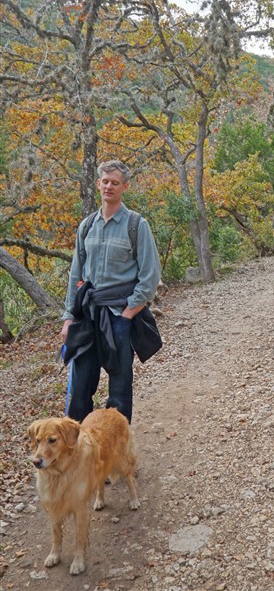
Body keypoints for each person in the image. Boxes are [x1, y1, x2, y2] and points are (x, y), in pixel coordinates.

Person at [60, 160, 161, 423]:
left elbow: (150, 277)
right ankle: (79, 451)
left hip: (119, 314)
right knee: (81, 386)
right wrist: (69, 317)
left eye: (115, 182)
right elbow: (76, 275)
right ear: (98, 184)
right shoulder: (87, 226)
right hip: (88, 315)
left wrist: (128, 313)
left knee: (119, 386)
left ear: (124, 187)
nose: (109, 186)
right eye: (105, 181)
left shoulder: (136, 225)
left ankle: (118, 452)